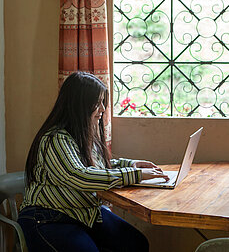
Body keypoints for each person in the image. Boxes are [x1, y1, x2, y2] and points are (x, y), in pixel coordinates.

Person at [17, 71, 168, 252]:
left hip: (83, 214)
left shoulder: (81, 134)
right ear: (80, 106)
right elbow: (80, 176)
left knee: (136, 243)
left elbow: (97, 166)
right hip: (48, 216)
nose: (103, 109)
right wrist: (134, 175)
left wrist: (130, 164)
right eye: (98, 103)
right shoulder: (54, 139)